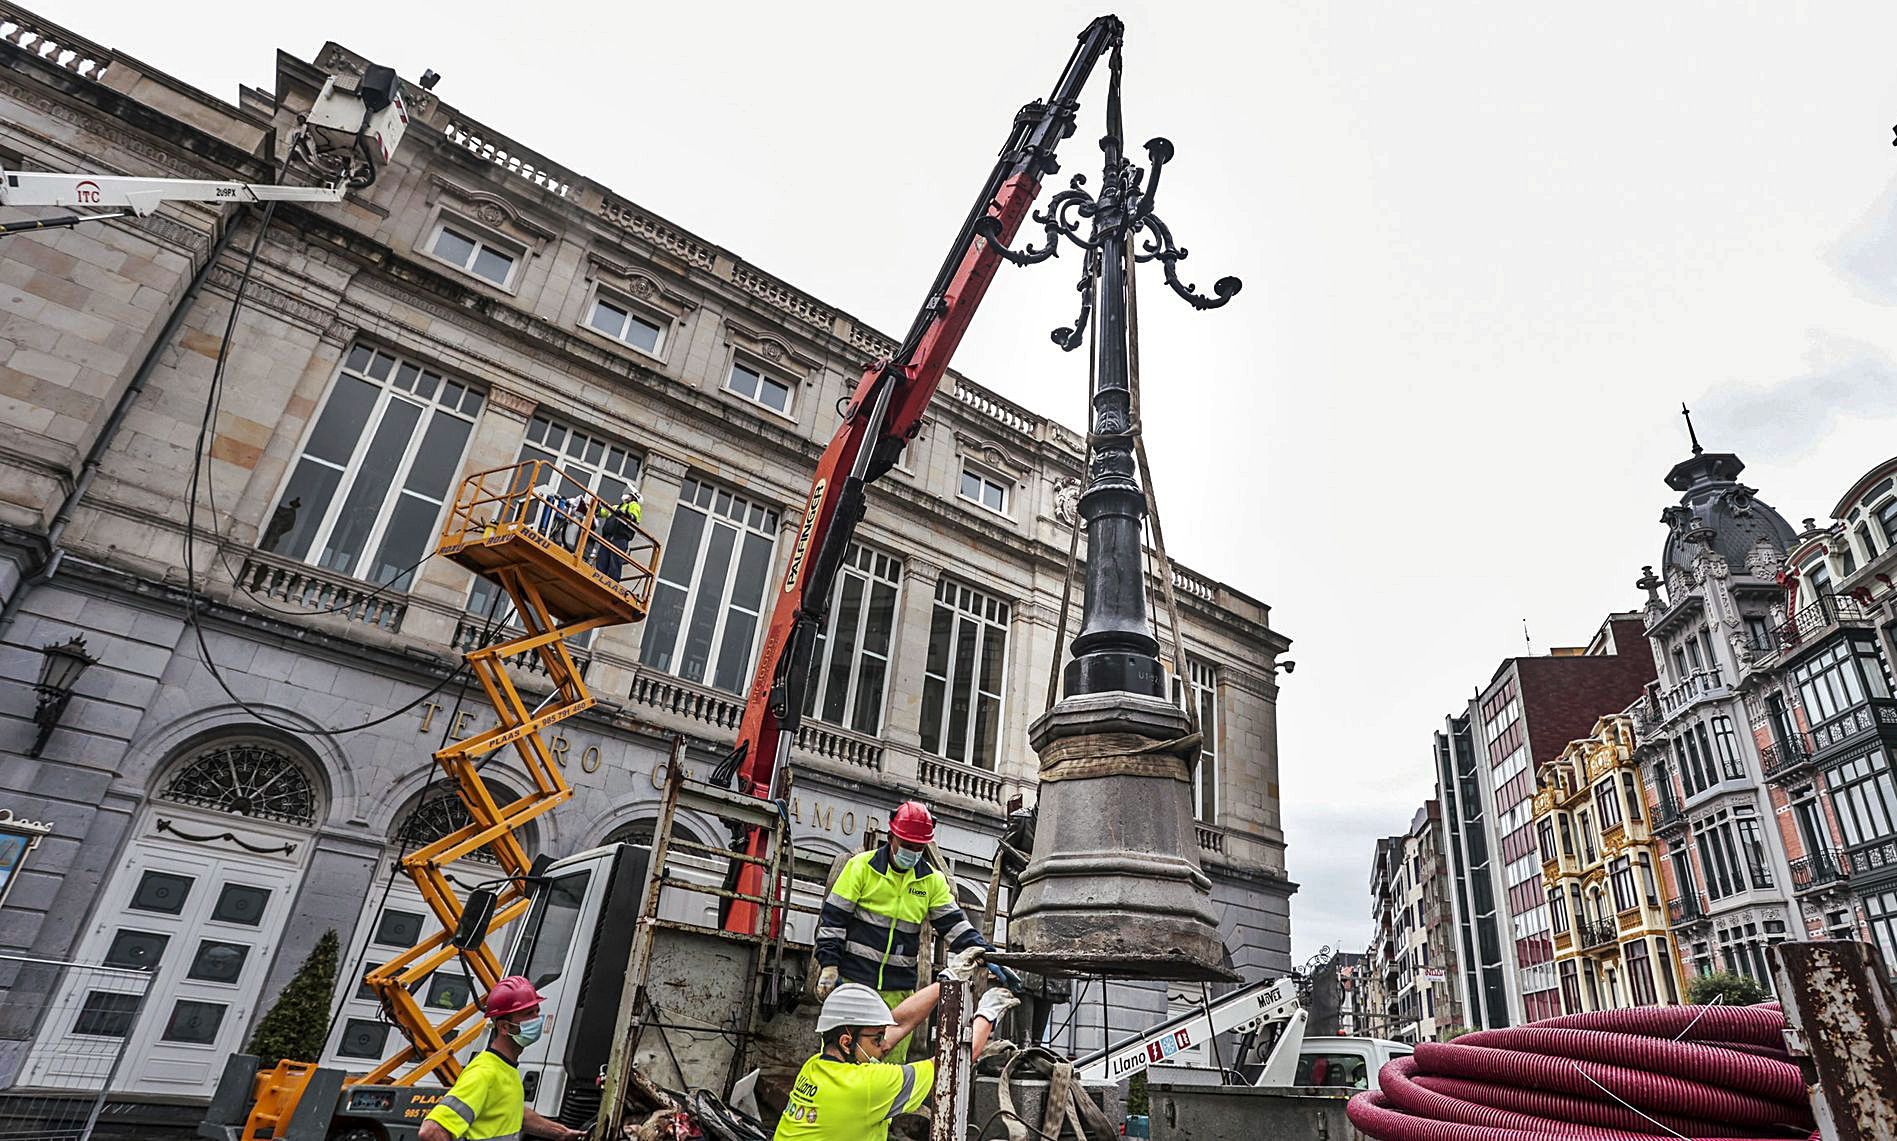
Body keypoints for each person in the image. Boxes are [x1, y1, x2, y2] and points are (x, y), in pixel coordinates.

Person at [815, 800, 993, 1064]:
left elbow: (956, 927)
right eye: (907, 845)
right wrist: (829, 967)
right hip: (854, 985)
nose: (912, 852)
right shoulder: (860, 868)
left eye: (918, 848)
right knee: (841, 1064)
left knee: (889, 1069)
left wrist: (988, 955)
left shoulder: (931, 881)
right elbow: (833, 921)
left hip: (897, 993)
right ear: (891, 838)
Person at [774, 977, 1017, 1141]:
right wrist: (988, 1013)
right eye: (877, 1039)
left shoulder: (816, 1065)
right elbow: (952, 1062)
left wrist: (947, 981)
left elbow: (896, 1024)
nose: (884, 1046)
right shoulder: (867, 1086)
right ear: (846, 1042)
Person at [417, 976, 585, 1141]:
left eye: (537, 1011)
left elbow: (517, 1114)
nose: (537, 1019)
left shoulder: (505, 1068)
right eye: (528, 1014)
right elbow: (432, 1131)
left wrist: (562, 1133)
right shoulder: (484, 1073)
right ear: (504, 1027)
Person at [592, 488, 642, 581]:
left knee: (615, 562)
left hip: (620, 538)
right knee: (603, 559)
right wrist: (597, 509)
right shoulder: (618, 506)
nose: (626, 495)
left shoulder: (634, 505)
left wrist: (625, 514)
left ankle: (612, 582)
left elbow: (634, 517)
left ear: (633, 498)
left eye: (629, 495)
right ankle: (598, 577)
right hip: (609, 537)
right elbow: (605, 512)